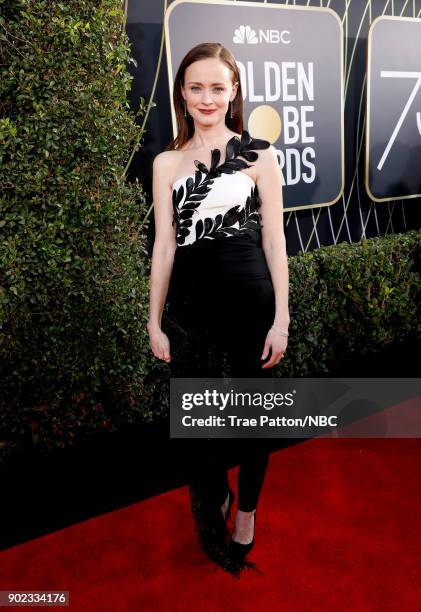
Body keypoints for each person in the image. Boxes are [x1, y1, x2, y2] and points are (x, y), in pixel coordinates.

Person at [147, 42, 289, 576]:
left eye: (218, 87)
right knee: (197, 421)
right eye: (196, 87)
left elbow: (275, 241)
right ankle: (219, 495)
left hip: (249, 300)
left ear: (233, 95)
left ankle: (247, 512)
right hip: (190, 307)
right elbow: (164, 246)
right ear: (182, 94)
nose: (207, 97)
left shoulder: (259, 156)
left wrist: (282, 317)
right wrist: (153, 319)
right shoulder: (166, 163)